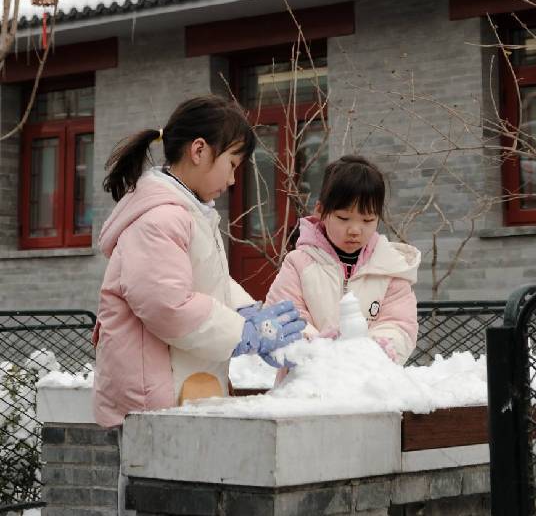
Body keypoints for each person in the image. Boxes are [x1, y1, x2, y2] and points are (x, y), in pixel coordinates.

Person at [93, 95, 304, 427]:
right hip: (155, 398)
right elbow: (168, 305)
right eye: (232, 164)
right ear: (200, 150)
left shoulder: (188, 213)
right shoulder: (160, 220)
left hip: (180, 386)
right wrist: (244, 333)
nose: (233, 180)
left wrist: (246, 311)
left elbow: (206, 281)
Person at [266, 155, 420, 364]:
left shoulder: (390, 268)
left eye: (367, 220)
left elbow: (399, 324)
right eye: (343, 218)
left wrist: (374, 350)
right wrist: (318, 346)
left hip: (369, 383)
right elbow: (282, 318)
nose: (355, 230)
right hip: (307, 384)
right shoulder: (299, 263)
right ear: (321, 210)